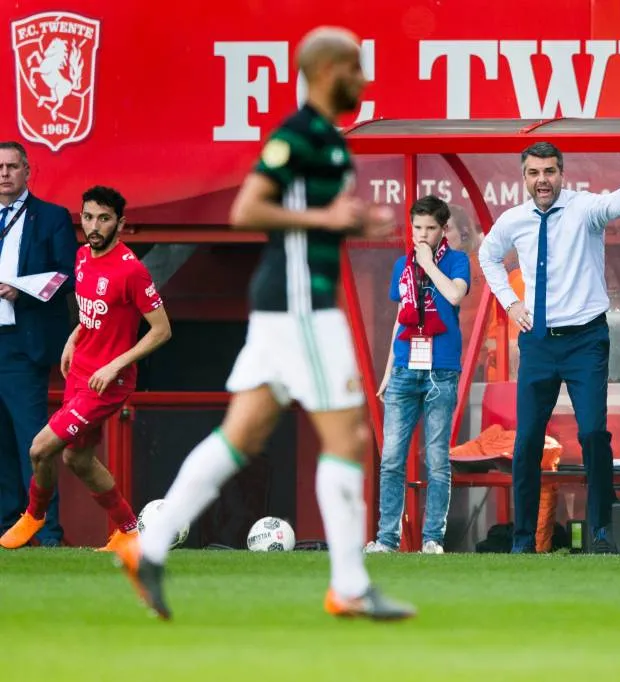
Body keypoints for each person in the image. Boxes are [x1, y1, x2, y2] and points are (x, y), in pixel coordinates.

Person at [114, 26, 414, 622]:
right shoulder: (298, 135)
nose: (364, 78)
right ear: (327, 70)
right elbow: (246, 208)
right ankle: (350, 586)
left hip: (287, 305)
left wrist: (341, 223)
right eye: (356, 67)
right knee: (348, 437)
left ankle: (148, 544)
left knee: (242, 435)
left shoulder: (327, 138)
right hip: (301, 306)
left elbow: (307, 217)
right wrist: (329, 216)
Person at [478, 141, 620, 554]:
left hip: (585, 340)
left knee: (592, 435)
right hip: (538, 343)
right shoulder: (514, 219)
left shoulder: (583, 209)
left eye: (549, 171)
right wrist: (511, 303)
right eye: (534, 173)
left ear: (561, 174)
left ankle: (601, 533)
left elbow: (612, 205)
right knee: (528, 439)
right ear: (525, 177)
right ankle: (522, 540)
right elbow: (488, 255)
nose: (542, 180)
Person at [0, 186, 171, 551]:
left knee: (39, 448)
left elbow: (162, 330)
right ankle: (128, 531)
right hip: (80, 370)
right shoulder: (80, 257)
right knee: (77, 458)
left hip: (106, 381)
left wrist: (115, 365)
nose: (94, 226)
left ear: (120, 224)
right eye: (88, 217)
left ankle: (34, 516)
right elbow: (94, 313)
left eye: (104, 219)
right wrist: (73, 339)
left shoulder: (132, 271)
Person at [365, 195, 470, 554]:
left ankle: (432, 539)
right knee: (392, 456)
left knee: (437, 457)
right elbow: (401, 318)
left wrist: (428, 263)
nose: (422, 235)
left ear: (443, 231)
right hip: (405, 367)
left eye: (430, 228)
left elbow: (455, 296)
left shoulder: (457, 260)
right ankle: (387, 539)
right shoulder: (401, 265)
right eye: (417, 228)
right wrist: (387, 371)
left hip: (441, 368)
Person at [0, 141, 77, 547]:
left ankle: (48, 534)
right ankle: (7, 531)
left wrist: (21, 290)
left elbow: (69, 274)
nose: (5, 173)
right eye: (0, 167)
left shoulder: (51, 217)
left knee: (33, 443)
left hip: (20, 345)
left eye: (13, 166)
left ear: (28, 171)